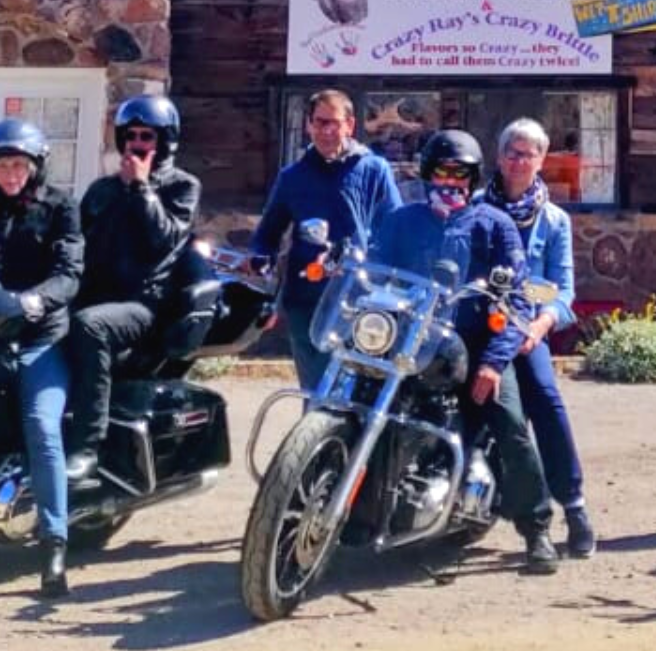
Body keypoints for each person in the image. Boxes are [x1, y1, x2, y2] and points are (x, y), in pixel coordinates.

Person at [371, 130, 561, 574]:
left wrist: (494, 363)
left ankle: (537, 530)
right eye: (441, 171)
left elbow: (517, 297)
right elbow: (376, 271)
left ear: (474, 177)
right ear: (425, 173)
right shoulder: (402, 221)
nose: (450, 181)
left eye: (460, 174)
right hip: (413, 343)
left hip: (476, 346)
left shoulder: (495, 224)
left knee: (511, 422)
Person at [0, 119, 88, 596]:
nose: (11, 173)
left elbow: (70, 272)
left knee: (42, 425)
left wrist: (38, 299)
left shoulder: (61, 207)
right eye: (2, 165)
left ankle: (54, 542)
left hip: (42, 337)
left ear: (36, 166)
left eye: (19, 164)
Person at [65, 94, 203, 481]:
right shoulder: (101, 190)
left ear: (165, 141)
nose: (137, 144)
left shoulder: (182, 187)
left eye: (147, 136)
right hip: (94, 294)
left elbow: (164, 239)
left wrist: (141, 188)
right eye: (131, 136)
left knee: (90, 326)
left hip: (142, 304)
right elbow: (76, 242)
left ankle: (87, 448)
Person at [485, 118, 599, 558]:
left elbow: (562, 288)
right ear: (499, 156)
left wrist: (537, 322)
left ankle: (573, 509)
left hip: (528, 333)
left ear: (542, 160)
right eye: (512, 152)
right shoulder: (479, 208)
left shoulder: (554, 221)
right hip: (483, 326)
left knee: (546, 400)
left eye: (528, 153)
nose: (518, 161)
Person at [253, 90, 405, 387]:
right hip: (306, 300)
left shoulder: (374, 169)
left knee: (360, 389)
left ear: (349, 125)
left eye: (333, 123)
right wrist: (260, 258)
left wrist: (366, 262)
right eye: (319, 122)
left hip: (361, 299)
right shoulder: (292, 176)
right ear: (308, 125)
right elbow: (267, 235)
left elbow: (394, 229)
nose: (326, 131)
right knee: (317, 392)